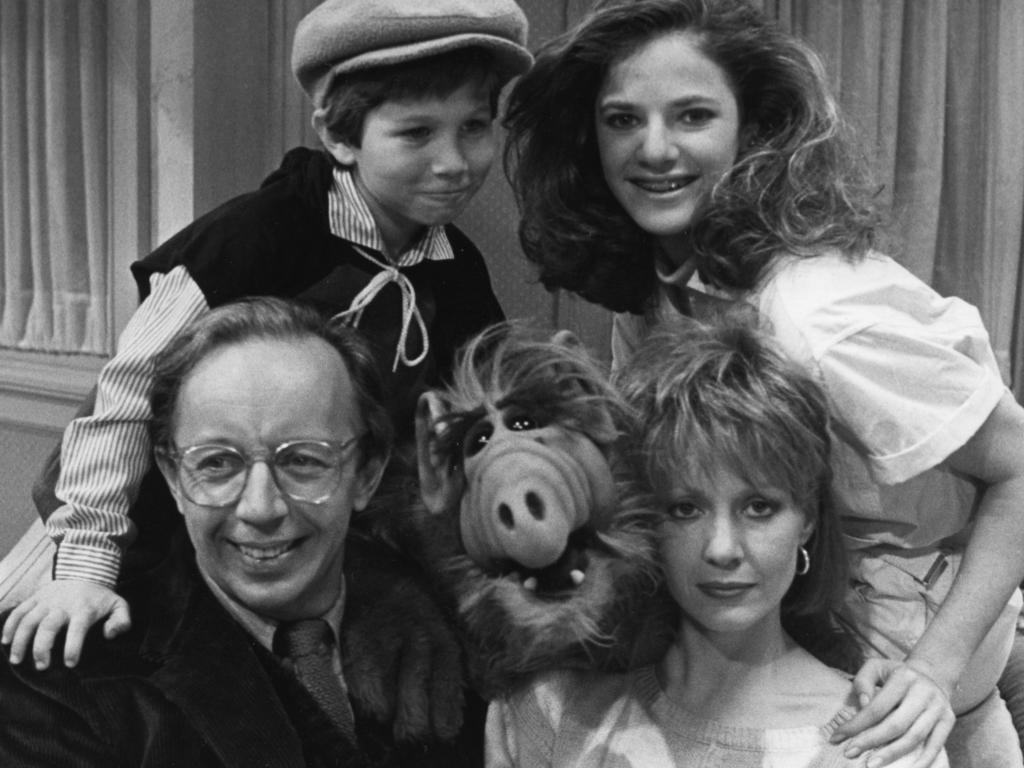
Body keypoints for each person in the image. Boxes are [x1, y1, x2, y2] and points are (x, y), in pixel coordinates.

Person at [502, 0, 1024, 765]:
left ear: (753, 130)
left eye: (691, 116)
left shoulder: (820, 315)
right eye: (621, 120)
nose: (653, 149)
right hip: (800, 657)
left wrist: (933, 675)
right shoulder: (661, 289)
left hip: (933, 696)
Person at [2, 0, 533, 677]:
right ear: (341, 136)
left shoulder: (455, 271)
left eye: (475, 128)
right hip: (145, 533)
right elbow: (126, 393)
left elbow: (474, 415)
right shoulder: (254, 236)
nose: (455, 161)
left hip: (300, 552)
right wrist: (84, 566)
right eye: (417, 133)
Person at [0, 297, 485, 767]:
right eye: (216, 463)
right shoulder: (57, 680)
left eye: (302, 460)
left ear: (366, 474)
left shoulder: (460, 621)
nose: (260, 508)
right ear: (172, 478)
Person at [487, 320, 948, 767]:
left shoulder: (886, 743)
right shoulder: (552, 714)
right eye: (685, 509)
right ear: (644, 520)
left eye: (759, 508)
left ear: (806, 519)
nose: (722, 549)